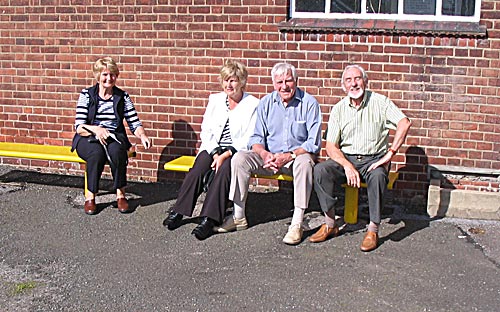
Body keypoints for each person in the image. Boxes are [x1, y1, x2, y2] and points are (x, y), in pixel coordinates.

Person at [216, 62, 322, 245]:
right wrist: (264, 154)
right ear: (274, 83)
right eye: (279, 82)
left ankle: (297, 222)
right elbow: (255, 137)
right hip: (269, 157)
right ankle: (238, 216)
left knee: (305, 162)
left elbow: (313, 143)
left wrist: (289, 155)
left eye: (288, 81)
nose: (284, 86)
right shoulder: (266, 103)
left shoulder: (309, 103)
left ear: (296, 81)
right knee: (240, 158)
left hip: (294, 158)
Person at [312, 64, 411, 252]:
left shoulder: (380, 102)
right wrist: (347, 165)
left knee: (379, 177)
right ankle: (330, 223)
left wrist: (391, 153)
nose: (353, 84)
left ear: (365, 81)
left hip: (374, 160)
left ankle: (373, 230)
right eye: (348, 80)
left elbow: (404, 123)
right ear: (343, 86)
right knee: (320, 170)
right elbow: (331, 146)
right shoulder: (339, 109)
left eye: (357, 79)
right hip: (347, 158)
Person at [163, 60, 259, 240]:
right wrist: (215, 152)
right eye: (225, 80)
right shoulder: (215, 100)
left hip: (235, 151)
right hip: (212, 146)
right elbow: (206, 129)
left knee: (224, 172)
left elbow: (250, 136)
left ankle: (209, 218)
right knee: (198, 169)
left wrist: (225, 154)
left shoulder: (253, 104)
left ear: (242, 82)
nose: (228, 85)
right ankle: (179, 211)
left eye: (233, 80)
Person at [72, 57, 152, 215]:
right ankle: (90, 197)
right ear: (97, 76)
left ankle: (120, 194)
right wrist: (96, 130)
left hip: (114, 136)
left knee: (117, 152)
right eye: (105, 74)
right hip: (87, 137)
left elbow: (134, 122)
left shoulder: (122, 96)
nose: (109, 78)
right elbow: (79, 126)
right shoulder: (86, 95)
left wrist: (142, 135)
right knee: (96, 153)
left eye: (113, 74)